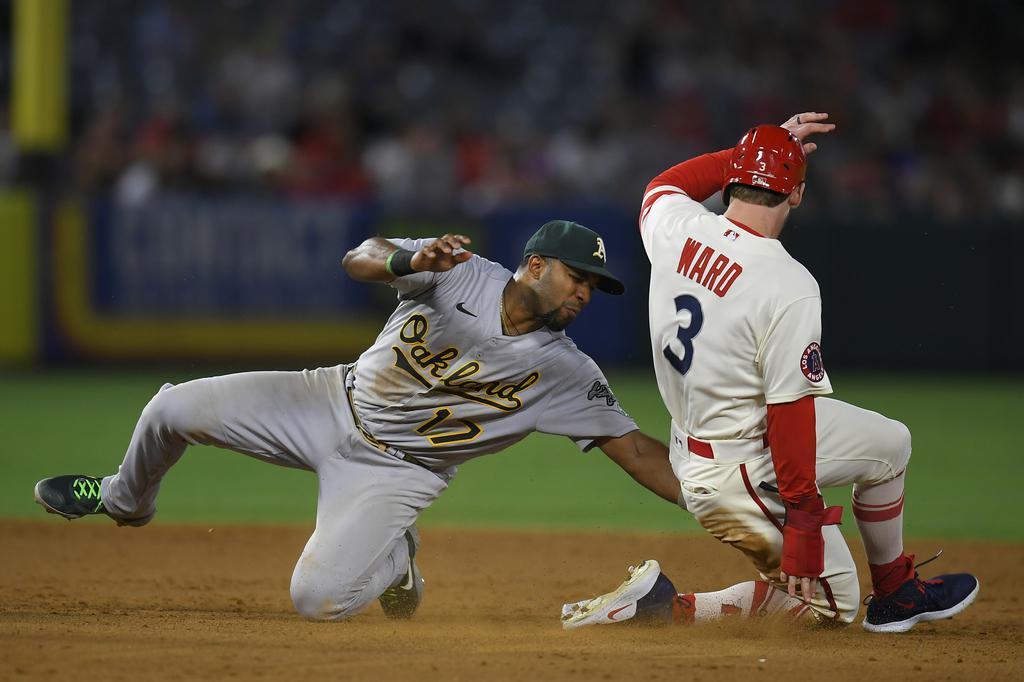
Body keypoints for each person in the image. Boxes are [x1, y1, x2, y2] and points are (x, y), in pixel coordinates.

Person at [34, 220, 683, 621]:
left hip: (397, 474)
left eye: (595, 287)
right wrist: (409, 261)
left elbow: (637, 451)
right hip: (326, 401)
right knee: (170, 407)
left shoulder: (568, 371)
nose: (585, 293)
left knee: (316, 601)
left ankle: (395, 562)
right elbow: (360, 256)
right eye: (579, 277)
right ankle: (125, 498)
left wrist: (721, 498)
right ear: (536, 265)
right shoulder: (457, 270)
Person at [560, 113, 979, 633]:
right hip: (738, 472)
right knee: (837, 603)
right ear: (797, 195)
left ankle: (895, 591)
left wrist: (747, 154)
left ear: (735, 179)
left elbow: (664, 184)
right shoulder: (788, 282)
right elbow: (790, 413)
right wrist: (804, 523)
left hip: (714, 438)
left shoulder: (678, 228)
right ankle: (661, 605)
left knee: (890, 444)